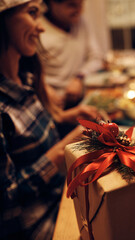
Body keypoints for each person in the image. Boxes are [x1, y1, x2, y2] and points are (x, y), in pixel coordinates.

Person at [0, 1, 99, 238]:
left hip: (65, 196)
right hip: (42, 225)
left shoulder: (24, 78)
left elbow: (28, 142)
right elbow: (8, 198)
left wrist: (67, 116)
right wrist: (63, 148)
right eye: (32, 13)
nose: (41, 27)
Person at [39, 0, 103, 109]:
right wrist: (43, 88)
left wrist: (79, 77)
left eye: (81, 4)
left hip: (81, 100)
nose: (79, 11)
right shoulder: (37, 28)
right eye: (72, 5)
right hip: (50, 105)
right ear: (52, 3)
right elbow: (26, 70)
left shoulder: (81, 22)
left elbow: (96, 58)